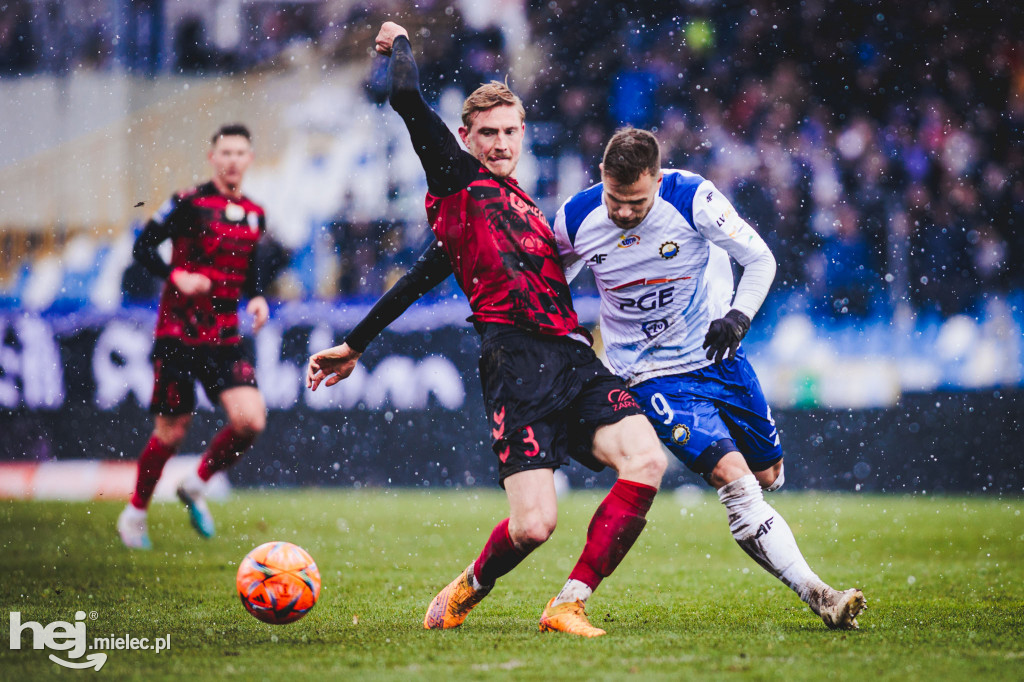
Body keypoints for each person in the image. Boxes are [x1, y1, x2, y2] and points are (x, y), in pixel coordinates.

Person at [306, 22, 667, 638]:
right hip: (515, 364)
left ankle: (569, 601)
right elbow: (406, 99)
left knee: (646, 459)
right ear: (465, 138)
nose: (500, 144)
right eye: (488, 134)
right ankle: (471, 584)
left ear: (523, 133)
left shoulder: (523, 204)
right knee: (534, 526)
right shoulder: (456, 181)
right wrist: (401, 44)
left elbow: (423, 272)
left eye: (509, 132)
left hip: (575, 359)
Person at [551, 127, 866, 629]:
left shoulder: (692, 196)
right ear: (601, 180)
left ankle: (790, 558)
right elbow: (551, 283)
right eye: (615, 199)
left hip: (719, 355)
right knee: (736, 481)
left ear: (657, 178)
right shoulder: (575, 217)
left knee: (768, 475)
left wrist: (738, 316)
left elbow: (759, 258)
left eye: (636, 201)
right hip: (650, 374)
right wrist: (566, 336)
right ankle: (820, 595)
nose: (625, 213)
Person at [117, 124, 270, 550]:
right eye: (226, 152)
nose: (233, 160)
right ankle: (135, 514)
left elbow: (252, 270)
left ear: (250, 159)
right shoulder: (188, 202)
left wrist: (256, 298)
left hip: (224, 335)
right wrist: (176, 275)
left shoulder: (256, 213)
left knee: (250, 421)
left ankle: (196, 483)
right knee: (171, 432)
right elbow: (143, 247)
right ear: (212, 158)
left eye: (241, 152)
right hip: (179, 334)